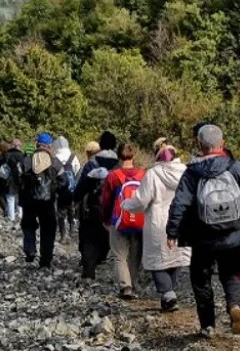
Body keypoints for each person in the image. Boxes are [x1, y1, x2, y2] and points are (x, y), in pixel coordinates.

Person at [166, 124, 240, 338]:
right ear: (222, 144)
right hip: (233, 235)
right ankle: (235, 306)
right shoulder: (236, 167)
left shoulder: (193, 171)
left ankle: (207, 325)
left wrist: (172, 231)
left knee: (201, 279)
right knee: (232, 274)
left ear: (200, 145)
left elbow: (180, 203)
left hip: (202, 237)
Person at [122, 139, 190, 312]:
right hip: (181, 221)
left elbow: (141, 200)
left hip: (157, 221)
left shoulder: (153, 174)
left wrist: (126, 204)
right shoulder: (186, 172)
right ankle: (170, 292)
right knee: (175, 257)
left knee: (157, 262)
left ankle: (168, 294)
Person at [101, 143, 146, 299]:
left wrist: (106, 219)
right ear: (134, 156)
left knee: (119, 255)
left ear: (118, 156)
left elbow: (106, 200)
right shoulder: (143, 174)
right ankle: (134, 283)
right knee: (135, 254)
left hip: (118, 219)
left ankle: (125, 286)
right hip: (139, 219)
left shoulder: (113, 176)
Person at [20, 133, 67, 268]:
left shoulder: (27, 160)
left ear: (37, 144)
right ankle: (45, 260)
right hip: (48, 202)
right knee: (48, 229)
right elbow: (65, 182)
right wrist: (54, 190)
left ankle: (30, 250)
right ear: (49, 146)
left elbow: (19, 179)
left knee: (28, 225)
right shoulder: (55, 162)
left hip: (29, 201)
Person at [74, 133, 118, 279]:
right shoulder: (119, 164)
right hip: (112, 207)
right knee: (106, 234)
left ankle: (89, 270)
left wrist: (75, 198)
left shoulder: (92, 163)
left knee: (90, 237)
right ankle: (102, 257)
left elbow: (82, 187)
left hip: (93, 206)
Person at [53, 136, 81, 243]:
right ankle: (72, 229)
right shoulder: (73, 156)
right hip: (72, 189)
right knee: (71, 208)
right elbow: (77, 171)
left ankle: (63, 235)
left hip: (60, 189)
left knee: (61, 211)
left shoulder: (55, 158)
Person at [0, 139, 24, 221]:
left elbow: (1, 168)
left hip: (9, 179)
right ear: (19, 146)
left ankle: (11, 217)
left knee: (10, 198)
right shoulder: (22, 155)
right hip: (20, 179)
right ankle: (20, 215)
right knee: (19, 197)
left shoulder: (8, 154)